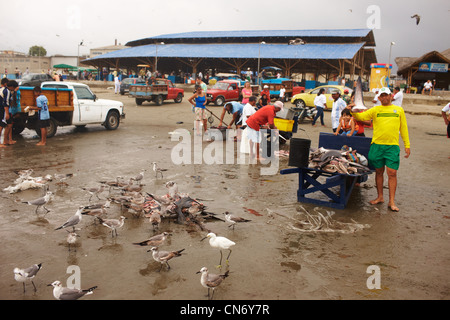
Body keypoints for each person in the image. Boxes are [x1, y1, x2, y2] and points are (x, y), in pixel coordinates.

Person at [351, 87, 411, 212]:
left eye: (386, 95)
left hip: (392, 146)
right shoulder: (375, 109)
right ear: (378, 98)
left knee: (392, 173)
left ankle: (392, 201)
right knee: (379, 172)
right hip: (377, 146)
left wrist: (407, 145)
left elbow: (403, 128)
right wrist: (352, 111)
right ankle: (380, 197)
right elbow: (361, 117)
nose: (384, 98)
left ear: (391, 96)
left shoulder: (398, 110)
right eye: (381, 96)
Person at [4, 80, 19, 145]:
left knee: (9, 125)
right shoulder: (7, 92)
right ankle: (6, 140)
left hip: (8, 111)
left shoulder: (7, 91)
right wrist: (7, 113)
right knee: (8, 126)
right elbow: (6, 103)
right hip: (8, 111)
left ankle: (9, 139)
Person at [0, 78, 9, 147]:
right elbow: (6, 103)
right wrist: (7, 113)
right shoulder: (6, 91)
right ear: (5, 83)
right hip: (2, 110)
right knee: (1, 126)